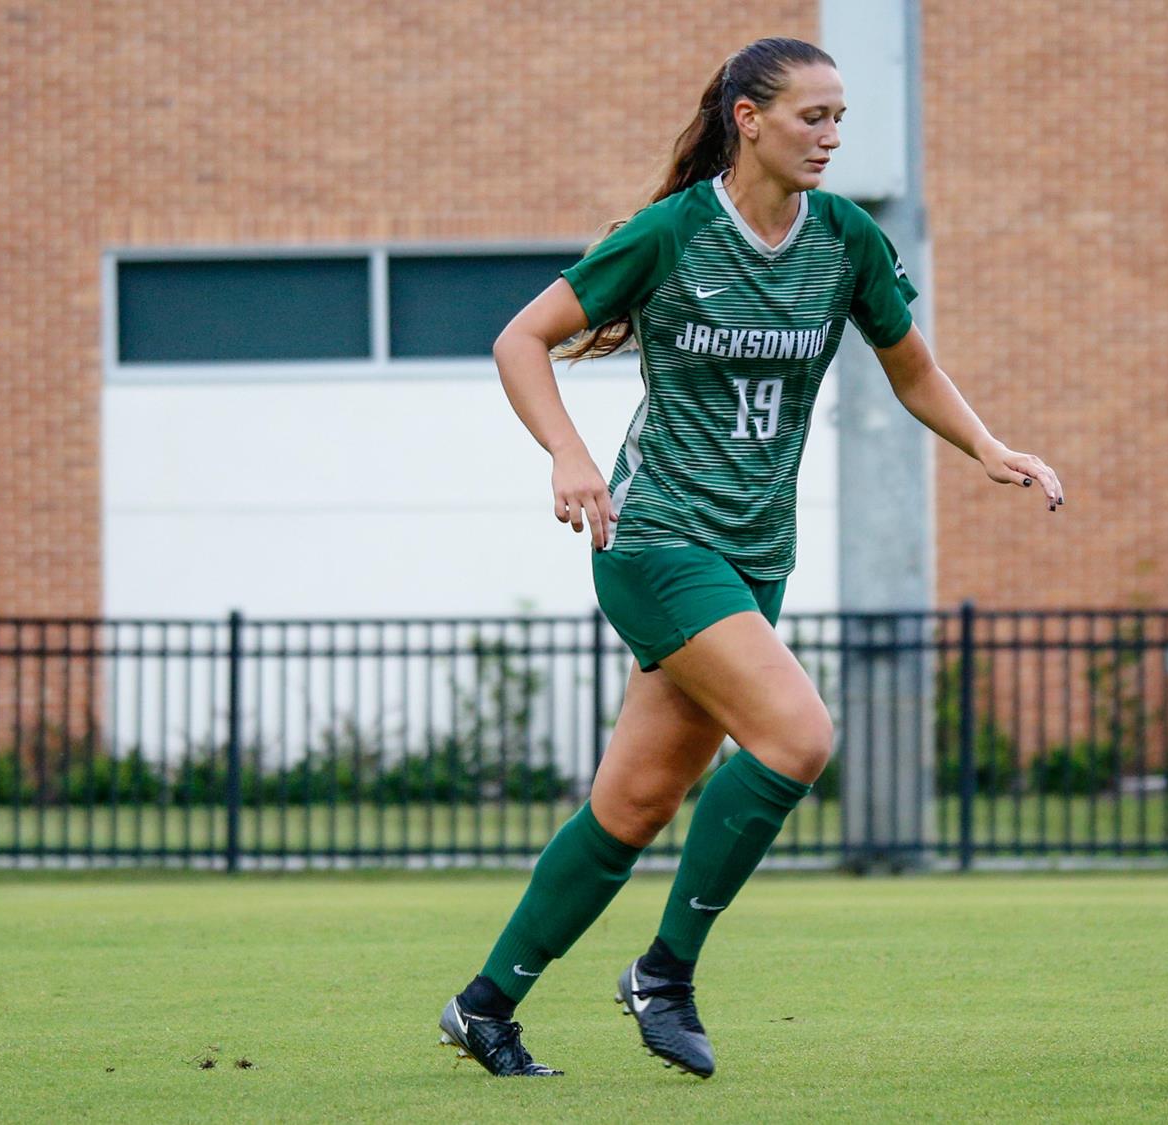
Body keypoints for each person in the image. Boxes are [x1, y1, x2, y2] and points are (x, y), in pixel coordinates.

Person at [436, 36, 1064, 1079]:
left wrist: (988, 447)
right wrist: (570, 455)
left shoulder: (847, 242)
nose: (829, 136)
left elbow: (912, 370)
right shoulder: (672, 233)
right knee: (798, 736)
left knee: (633, 805)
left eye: (839, 120)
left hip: (753, 555)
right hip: (655, 541)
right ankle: (664, 974)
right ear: (748, 119)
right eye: (812, 117)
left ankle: (484, 1006)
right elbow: (520, 339)